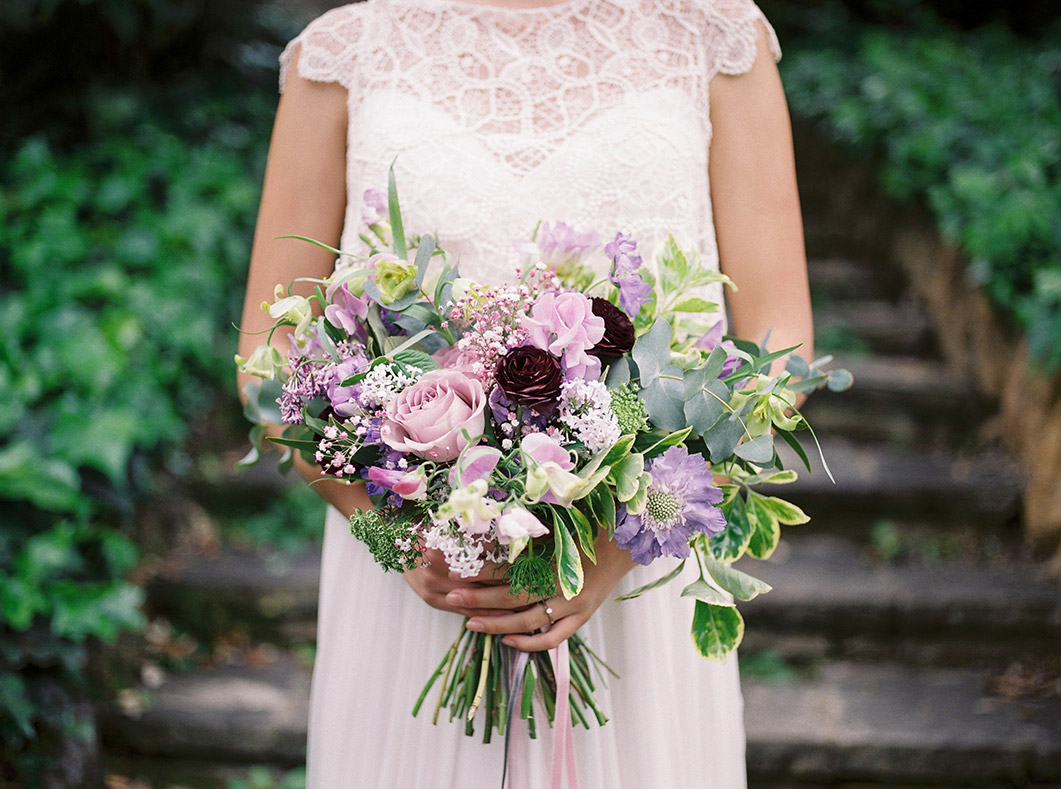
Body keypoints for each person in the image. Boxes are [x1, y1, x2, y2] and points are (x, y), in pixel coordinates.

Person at [237, 0, 813, 784]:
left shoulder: (715, 36)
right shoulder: (342, 53)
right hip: (422, 584)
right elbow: (268, 361)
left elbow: (779, 342)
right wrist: (396, 537)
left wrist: (614, 546)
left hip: (633, 580)